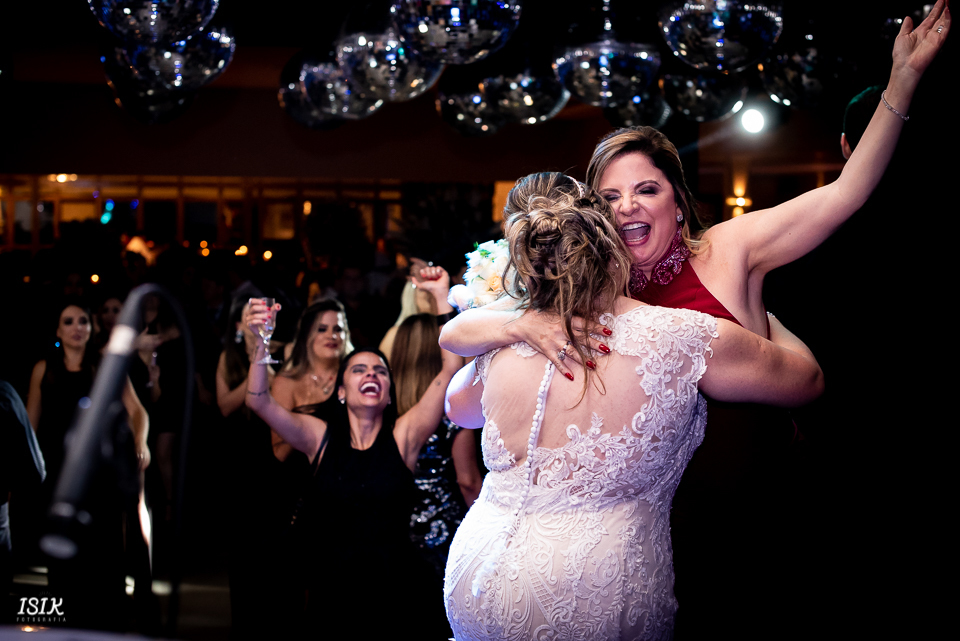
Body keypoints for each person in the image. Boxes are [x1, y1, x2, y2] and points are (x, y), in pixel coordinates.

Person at [441, 173, 823, 640]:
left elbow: (457, 409)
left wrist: (505, 323)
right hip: (596, 592)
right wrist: (765, 319)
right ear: (610, 246)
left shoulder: (506, 341)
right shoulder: (683, 336)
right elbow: (808, 382)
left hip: (476, 576)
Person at [243, 265, 463, 640]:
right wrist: (260, 342)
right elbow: (259, 401)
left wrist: (442, 297)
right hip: (331, 590)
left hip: (394, 589)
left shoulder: (404, 436)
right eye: (359, 369)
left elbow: (450, 369)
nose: (371, 375)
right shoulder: (318, 437)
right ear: (341, 391)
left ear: (389, 392)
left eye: (380, 371)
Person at [391, 313, 483, 579]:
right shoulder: (452, 415)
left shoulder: (390, 415)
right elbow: (468, 483)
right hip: (446, 532)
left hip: (403, 531)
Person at [272, 298, 352, 461]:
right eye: (322, 329)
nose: (331, 336)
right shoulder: (286, 382)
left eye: (338, 329)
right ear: (306, 334)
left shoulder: (354, 377)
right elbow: (280, 453)